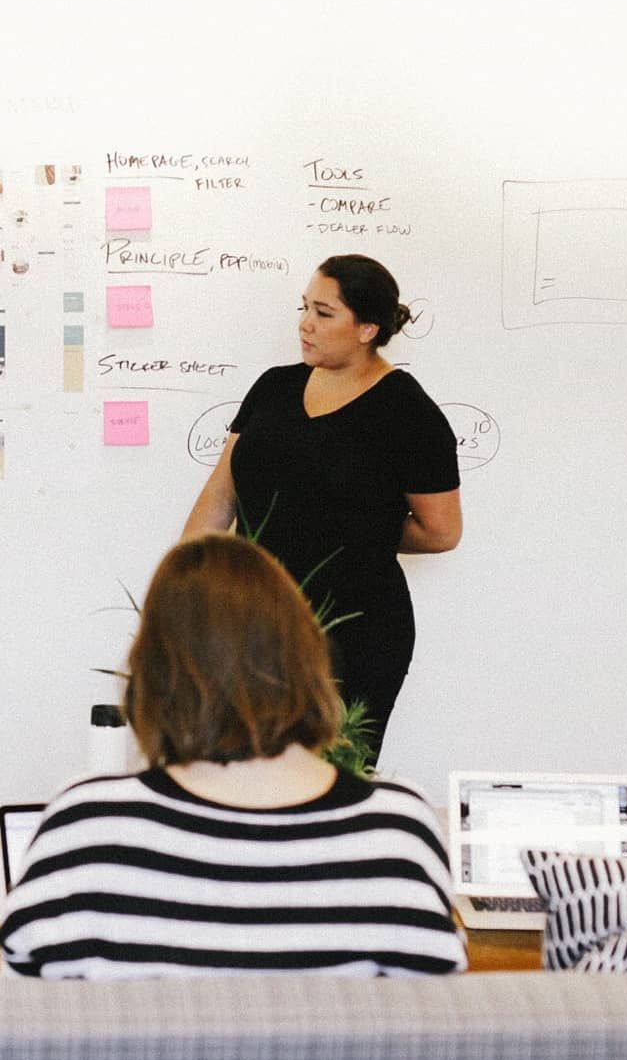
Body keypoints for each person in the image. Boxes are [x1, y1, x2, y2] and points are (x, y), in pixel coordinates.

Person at [0, 534, 465, 980]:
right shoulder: (396, 833)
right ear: (306, 661)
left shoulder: (84, 829)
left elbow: (22, 1034)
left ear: (151, 675)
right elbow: (434, 1049)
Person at [182, 254, 461, 761]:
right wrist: (184, 595)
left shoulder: (408, 413)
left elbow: (441, 531)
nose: (304, 324)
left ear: (367, 328)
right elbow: (221, 495)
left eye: (324, 313)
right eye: (304, 307)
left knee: (332, 785)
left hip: (355, 633)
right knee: (235, 773)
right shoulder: (274, 387)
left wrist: (356, 527)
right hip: (253, 621)